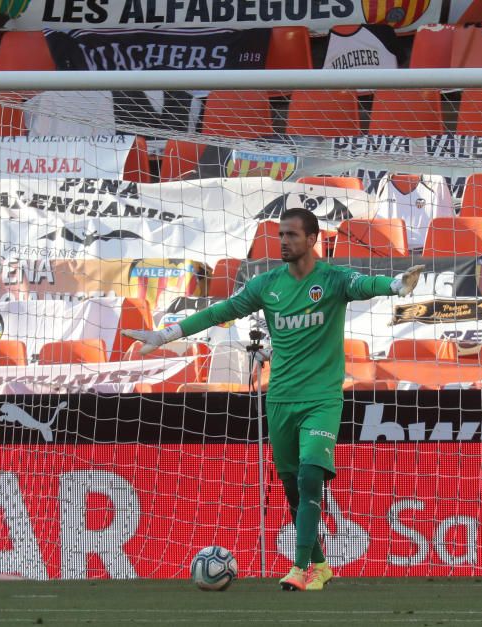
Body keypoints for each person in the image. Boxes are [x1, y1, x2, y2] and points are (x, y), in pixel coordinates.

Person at [123, 208, 423, 591]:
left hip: (321, 399)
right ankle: (319, 565)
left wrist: (396, 285)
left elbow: (365, 285)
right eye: (281, 235)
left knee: (312, 472)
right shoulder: (267, 285)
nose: (283, 241)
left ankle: (299, 569)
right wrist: (166, 336)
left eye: (292, 235)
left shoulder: (332, 280)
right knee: (293, 488)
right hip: (280, 399)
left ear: (313, 240)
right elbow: (221, 311)